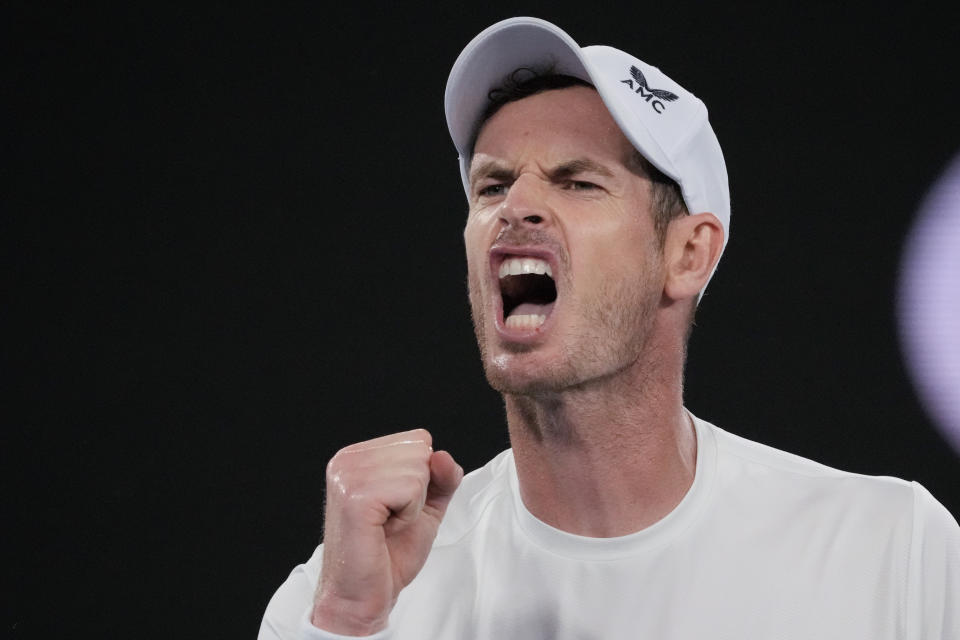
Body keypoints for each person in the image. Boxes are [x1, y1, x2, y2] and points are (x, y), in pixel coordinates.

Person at [259, 17, 959, 639]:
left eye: (577, 181)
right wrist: (348, 627)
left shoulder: (891, 552)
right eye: (493, 186)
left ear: (689, 254)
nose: (518, 207)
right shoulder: (350, 596)